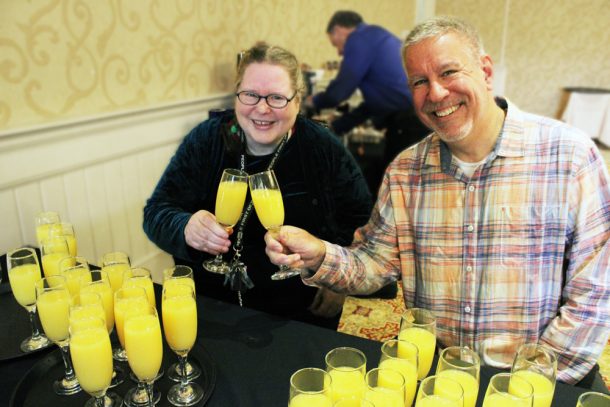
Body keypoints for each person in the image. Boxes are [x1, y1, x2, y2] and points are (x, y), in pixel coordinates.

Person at [265, 17, 610, 386]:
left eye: (448, 72)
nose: (436, 93)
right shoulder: (405, 172)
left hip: (539, 380)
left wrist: (525, 384)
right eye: (419, 81)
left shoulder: (568, 157)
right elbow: (372, 266)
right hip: (436, 376)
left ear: (486, 71)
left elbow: (594, 295)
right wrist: (319, 254)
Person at [143, 43, 373, 329]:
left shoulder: (321, 147)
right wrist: (184, 226)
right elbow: (155, 212)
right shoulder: (207, 140)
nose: (262, 108)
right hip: (212, 307)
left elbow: (365, 224)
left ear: (298, 102)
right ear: (237, 95)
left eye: (277, 97)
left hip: (299, 313)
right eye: (251, 95)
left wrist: (337, 281)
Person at [306, 10, 429, 193]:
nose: (340, 53)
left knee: (391, 186)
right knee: (384, 181)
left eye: (336, 45)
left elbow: (340, 90)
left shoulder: (359, 39)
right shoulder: (376, 36)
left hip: (409, 122)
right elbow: (371, 106)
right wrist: (337, 126)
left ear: (338, 30)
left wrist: (313, 101)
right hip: (414, 120)